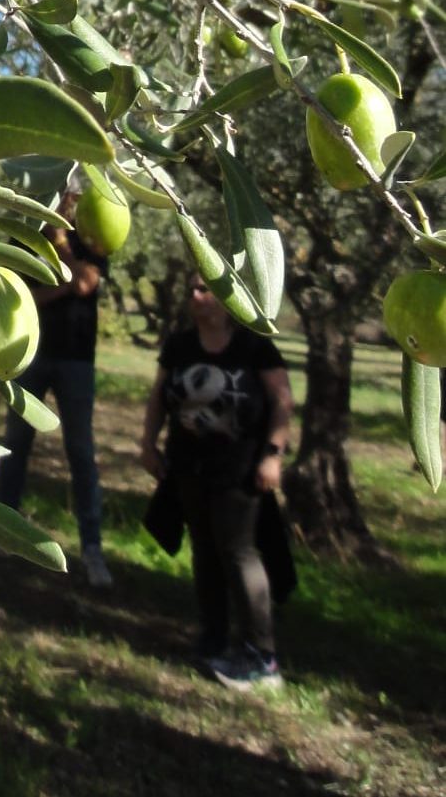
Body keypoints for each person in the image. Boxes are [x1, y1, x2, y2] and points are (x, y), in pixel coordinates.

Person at [138, 275, 296, 691]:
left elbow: (282, 401)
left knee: (240, 553)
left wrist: (273, 454)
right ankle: (214, 638)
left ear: (229, 300)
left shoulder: (255, 346)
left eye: (205, 289)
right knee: (205, 552)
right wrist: (148, 444)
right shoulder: (179, 345)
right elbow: (158, 397)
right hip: (188, 467)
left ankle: (262, 656)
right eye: (191, 288)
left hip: (240, 470)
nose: (195, 296)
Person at [0, 188, 113, 588]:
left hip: (77, 360)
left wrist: (60, 244)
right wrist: (65, 284)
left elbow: (86, 283)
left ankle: (91, 547)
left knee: (81, 450)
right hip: (32, 356)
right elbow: (21, 296)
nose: (63, 206)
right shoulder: (21, 238)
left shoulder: (92, 238)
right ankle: (4, 532)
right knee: (16, 445)